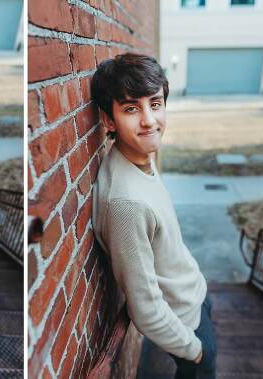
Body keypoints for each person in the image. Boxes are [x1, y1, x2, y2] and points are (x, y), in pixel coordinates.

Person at [91, 54, 216, 378]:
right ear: (108, 120)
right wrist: (196, 351)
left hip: (194, 297)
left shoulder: (137, 155)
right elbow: (144, 310)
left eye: (156, 104)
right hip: (188, 327)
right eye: (131, 108)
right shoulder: (127, 203)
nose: (149, 120)